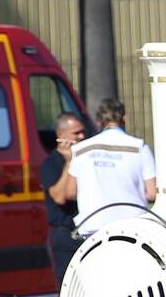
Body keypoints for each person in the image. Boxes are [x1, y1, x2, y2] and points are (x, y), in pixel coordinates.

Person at [69, 97, 158, 234]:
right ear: (124, 118)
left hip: (92, 225)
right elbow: (152, 194)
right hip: (133, 225)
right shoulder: (139, 147)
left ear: (98, 122)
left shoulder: (81, 149)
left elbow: (71, 192)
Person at [41, 111, 86, 280]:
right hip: (64, 234)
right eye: (76, 133)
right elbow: (59, 197)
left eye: (82, 132)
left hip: (85, 231)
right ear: (61, 135)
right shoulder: (50, 163)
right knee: (68, 284)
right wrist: (69, 163)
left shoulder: (86, 159)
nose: (82, 136)